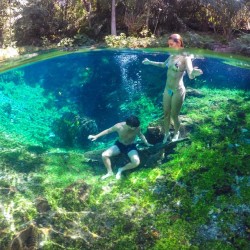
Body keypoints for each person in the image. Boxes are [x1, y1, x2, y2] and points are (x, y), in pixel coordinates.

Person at [142, 33, 203, 143]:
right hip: (167, 89)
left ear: (179, 43)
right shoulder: (171, 56)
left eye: (171, 44)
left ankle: (176, 133)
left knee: (174, 115)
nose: (169, 47)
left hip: (178, 90)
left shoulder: (185, 57)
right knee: (166, 114)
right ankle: (166, 134)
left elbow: (190, 73)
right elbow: (162, 65)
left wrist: (194, 72)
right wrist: (149, 62)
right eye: (168, 45)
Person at [88, 115, 152, 180]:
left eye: (136, 127)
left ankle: (121, 169)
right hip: (119, 145)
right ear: (129, 125)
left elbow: (140, 135)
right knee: (104, 155)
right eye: (134, 127)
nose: (136, 128)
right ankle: (109, 172)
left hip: (131, 146)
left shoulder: (137, 127)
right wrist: (96, 136)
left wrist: (147, 143)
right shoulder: (118, 126)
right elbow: (107, 131)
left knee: (136, 162)